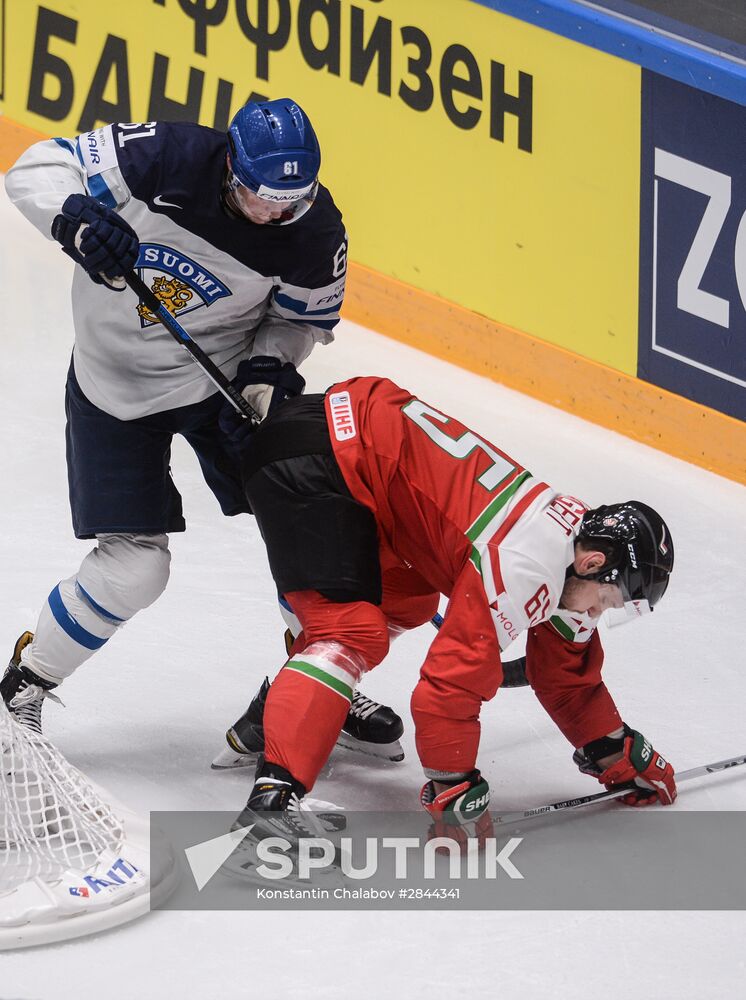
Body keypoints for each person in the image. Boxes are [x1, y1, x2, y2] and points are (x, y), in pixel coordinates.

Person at [0, 99, 395, 749]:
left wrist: (267, 373)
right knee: (135, 570)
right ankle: (27, 681)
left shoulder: (316, 231)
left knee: (313, 523)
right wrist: (74, 217)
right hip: (113, 386)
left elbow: (296, 320)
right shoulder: (165, 156)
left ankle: (321, 675)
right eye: (261, 198)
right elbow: (36, 166)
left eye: (291, 202)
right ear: (230, 167)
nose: (275, 215)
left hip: (223, 385)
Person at [215, 374, 676, 841]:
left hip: (355, 458)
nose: (597, 614)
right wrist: (454, 789)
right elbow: (446, 692)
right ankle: (270, 808)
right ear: (593, 563)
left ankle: (286, 710)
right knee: (349, 632)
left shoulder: (575, 548)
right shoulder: (524, 562)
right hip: (319, 459)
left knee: (410, 603)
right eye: (609, 601)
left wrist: (613, 750)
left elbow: (566, 677)